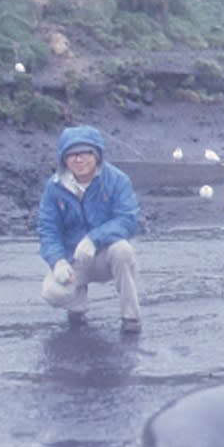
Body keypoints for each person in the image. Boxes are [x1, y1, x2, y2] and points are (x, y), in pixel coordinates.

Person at [37, 125, 141, 334]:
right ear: (64, 159)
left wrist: (94, 239)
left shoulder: (117, 180)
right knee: (52, 293)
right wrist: (57, 261)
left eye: (85, 153)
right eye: (72, 154)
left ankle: (131, 319)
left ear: (97, 156)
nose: (79, 159)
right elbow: (48, 230)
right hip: (72, 258)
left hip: (105, 255)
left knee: (123, 250)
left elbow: (127, 219)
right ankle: (77, 309)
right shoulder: (54, 187)